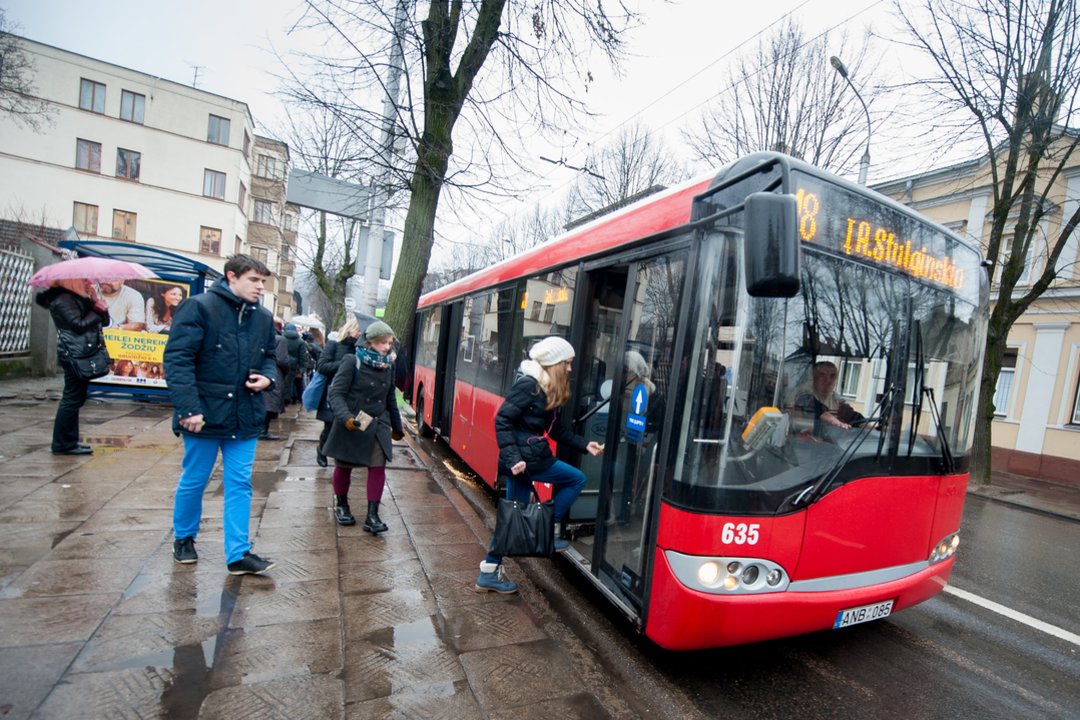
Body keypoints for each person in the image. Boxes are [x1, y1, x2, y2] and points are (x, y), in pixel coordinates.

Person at [163, 254, 279, 575]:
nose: (260, 287)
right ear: (232, 276)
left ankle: (238, 554)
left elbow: (270, 356)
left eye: (262, 282)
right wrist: (188, 408)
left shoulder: (264, 318)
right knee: (196, 479)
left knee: (240, 483)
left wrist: (269, 377)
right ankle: (184, 538)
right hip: (203, 415)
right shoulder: (199, 307)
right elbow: (178, 360)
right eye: (254, 280)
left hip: (245, 414)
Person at [475, 336, 604, 594]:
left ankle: (488, 572)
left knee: (514, 519)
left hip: (527, 460)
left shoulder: (547, 388)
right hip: (525, 460)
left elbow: (556, 430)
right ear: (554, 363)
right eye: (567, 363)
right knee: (576, 479)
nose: (570, 368)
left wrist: (584, 445)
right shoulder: (529, 385)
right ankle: (545, 529)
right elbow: (502, 421)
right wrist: (514, 460)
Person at [321, 320, 404, 532]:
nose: (387, 347)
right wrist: (346, 417)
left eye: (390, 342)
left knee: (378, 467)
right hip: (353, 422)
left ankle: (372, 516)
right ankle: (342, 506)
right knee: (344, 467)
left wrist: (396, 426)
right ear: (370, 342)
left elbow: (390, 398)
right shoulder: (351, 361)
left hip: (378, 423)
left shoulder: (388, 365)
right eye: (383, 342)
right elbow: (336, 394)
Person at [35, 278, 110, 455]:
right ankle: (62, 444)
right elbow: (78, 325)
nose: (87, 283)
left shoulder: (77, 298)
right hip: (75, 354)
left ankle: (69, 441)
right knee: (71, 399)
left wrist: (96, 303)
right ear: (71, 281)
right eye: (83, 280)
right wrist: (96, 309)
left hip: (82, 353)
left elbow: (103, 322)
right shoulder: (63, 299)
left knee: (76, 398)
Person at [314, 316, 362, 469]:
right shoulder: (334, 344)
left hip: (353, 393)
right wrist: (345, 364)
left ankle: (345, 456)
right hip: (333, 392)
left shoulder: (363, 349)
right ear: (350, 328)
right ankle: (322, 450)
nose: (359, 334)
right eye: (358, 330)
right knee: (330, 426)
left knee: (351, 427)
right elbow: (322, 366)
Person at [792, 360, 865, 436]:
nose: (828, 381)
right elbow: (816, 408)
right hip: (803, 444)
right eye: (822, 375)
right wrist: (835, 422)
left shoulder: (837, 400)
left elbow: (855, 418)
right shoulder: (803, 396)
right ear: (813, 378)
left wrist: (870, 427)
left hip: (828, 445)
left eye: (832, 376)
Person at [260, 325, 292, 441]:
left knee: (264, 402)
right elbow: (283, 360)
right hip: (275, 373)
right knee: (270, 403)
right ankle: (263, 431)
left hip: (262, 371)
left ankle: (261, 430)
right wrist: (287, 370)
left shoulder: (262, 338)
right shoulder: (281, 340)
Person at [283, 322, 310, 404]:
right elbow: (303, 356)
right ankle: (294, 399)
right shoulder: (300, 341)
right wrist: (302, 369)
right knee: (293, 383)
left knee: (283, 383)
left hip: (283, 363)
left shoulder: (281, 338)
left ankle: (284, 400)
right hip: (294, 366)